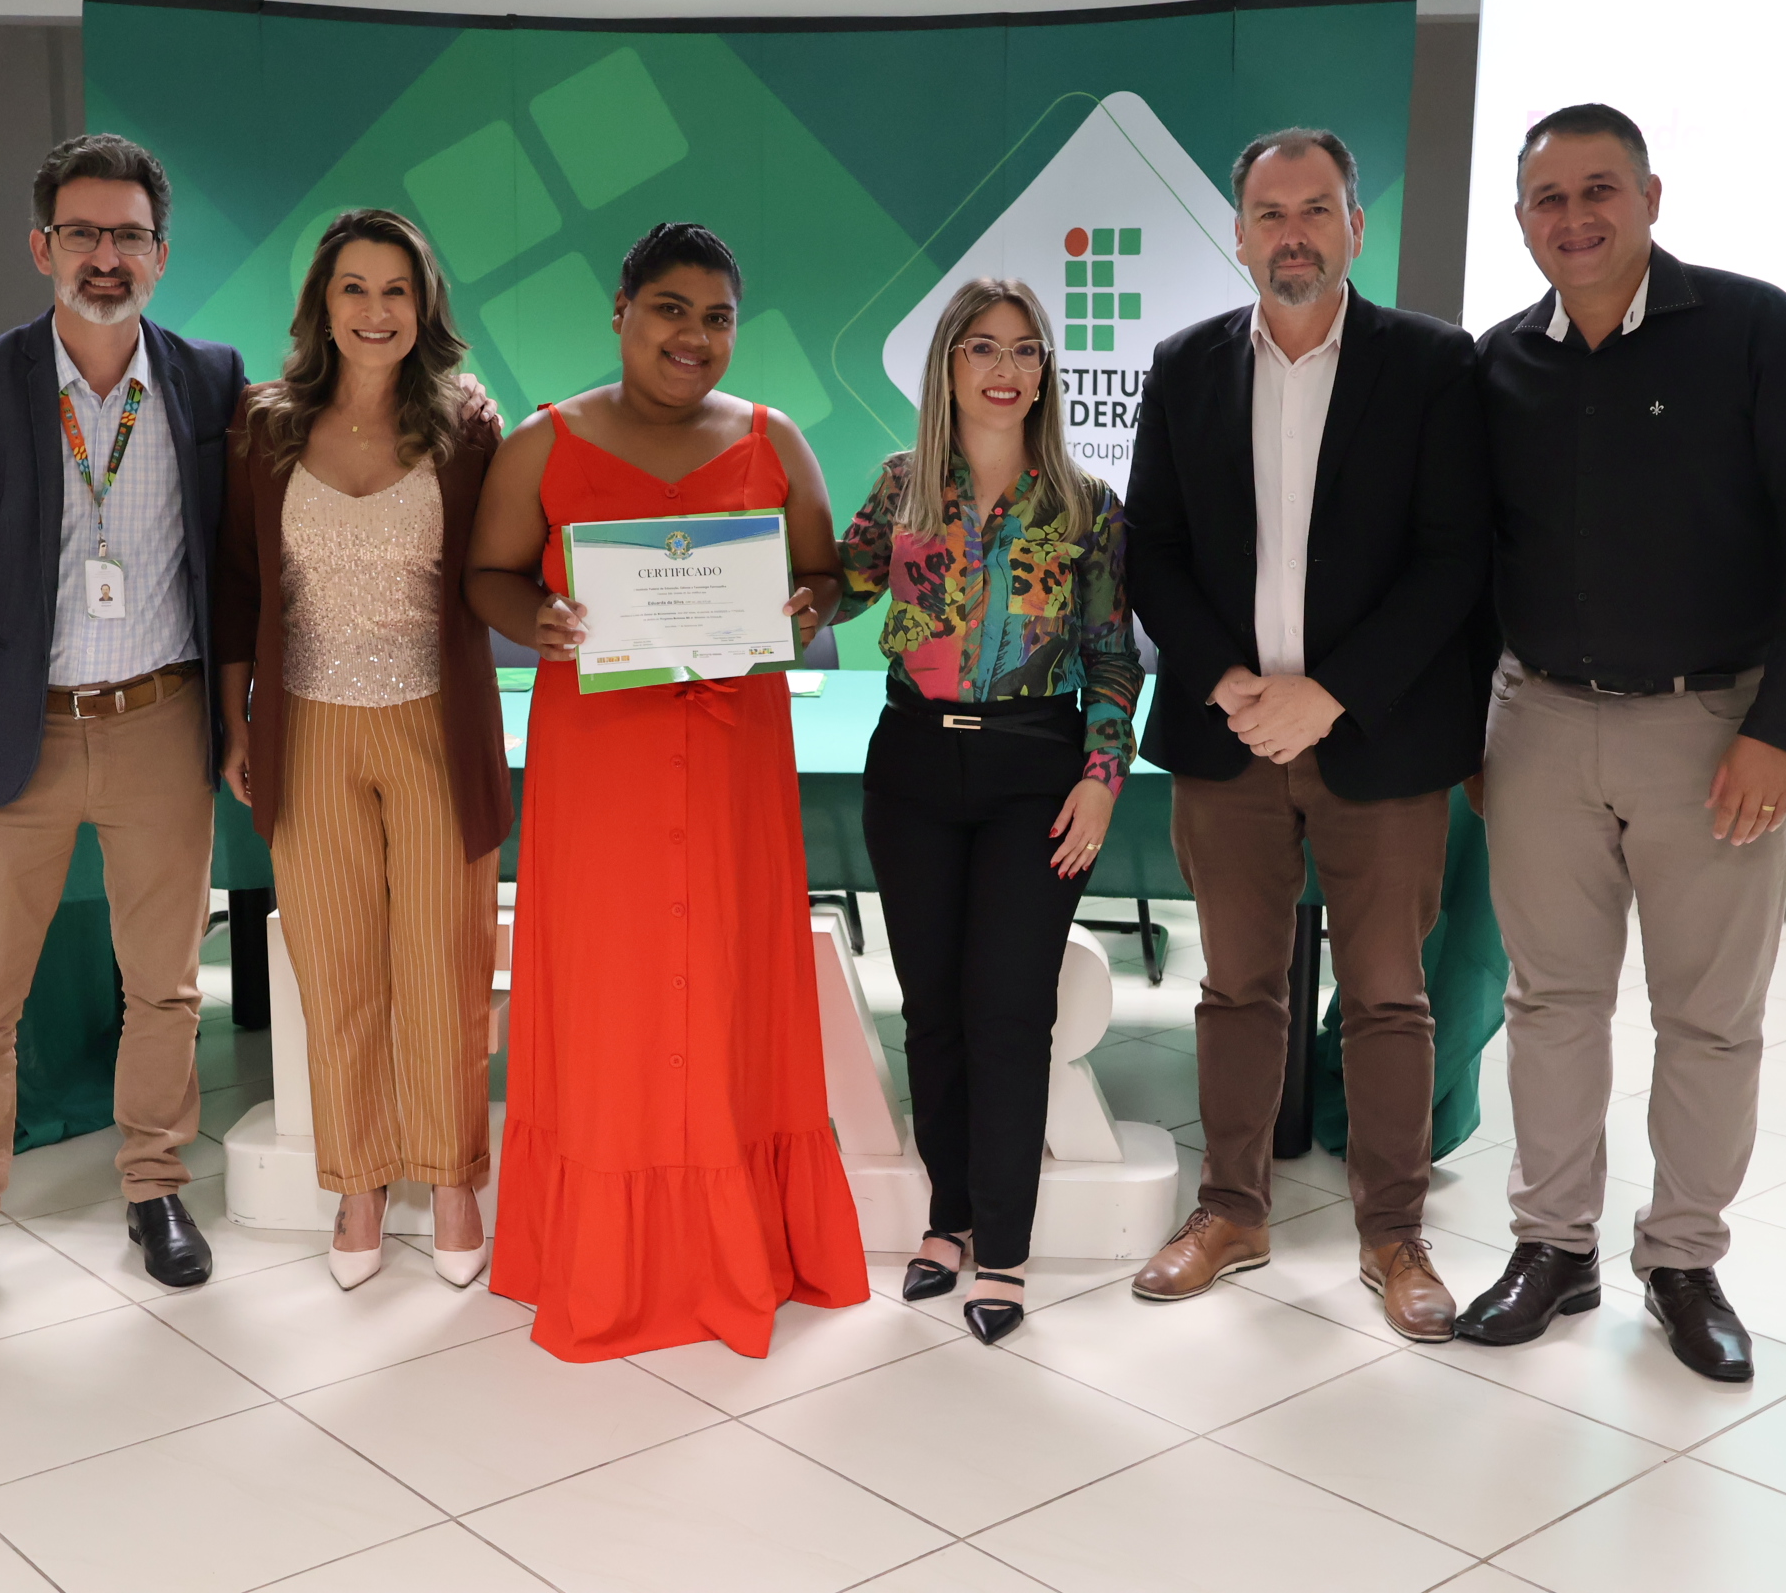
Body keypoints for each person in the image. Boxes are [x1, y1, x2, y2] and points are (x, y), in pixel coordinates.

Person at [1454, 105, 1786, 1380]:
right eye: (1548, 198)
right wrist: (1474, 729)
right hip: (1537, 725)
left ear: (1651, 196)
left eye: (1600, 189)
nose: (1575, 218)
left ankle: (1684, 1260)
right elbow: (1467, 560)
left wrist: (1778, 729)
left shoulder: (1756, 330)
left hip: (1714, 731)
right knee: (1550, 1002)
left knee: (1708, 1017)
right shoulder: (1496, 363)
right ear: (1520, 220)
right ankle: (1554, 1247)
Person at [465, 222, 870, 1361]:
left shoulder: (773, 441)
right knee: (612, 996)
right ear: (621, 312)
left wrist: (810, 605)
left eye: (718, 317)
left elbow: (826, 577)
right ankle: (606, 1256)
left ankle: (736, 1244)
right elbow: (487, 575)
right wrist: (537, 619)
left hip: (735, 762)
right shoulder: (544, 443)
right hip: (601, 762)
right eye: (670, 310)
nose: (694, 336)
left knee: (731, 983)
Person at [1121, 128, 1493, 1341]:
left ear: (1354, 226)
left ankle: (1394, 1233)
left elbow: (1454, 559)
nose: (1293, 233)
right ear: (1238, 236)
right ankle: (1231, 1210)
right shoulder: (1183, 366)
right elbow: (1153, 550)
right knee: (1237, 988)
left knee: (1389, 995)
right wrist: (1228, 679)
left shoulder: (1433, 364)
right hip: (1227, 736)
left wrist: (1329, 694)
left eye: (1316, 209)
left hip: (1377, 738)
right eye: (1270, 214)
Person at [0, 134, 244, 1318]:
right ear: (42, 246)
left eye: (128, 235)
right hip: (13, 732)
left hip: (161, 721)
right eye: (81, 232)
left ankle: (155, 1186)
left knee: (165, 984)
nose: (105, 256)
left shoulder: (208, 380)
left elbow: (237, 560)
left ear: (161, 254)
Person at [833, 278, 1139, 1345]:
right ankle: (948, 1217)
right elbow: (837, 586)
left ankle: (1003, 1247)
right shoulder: (902, 486)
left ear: (1046, 372)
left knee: (1009, 1011)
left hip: (1035, 771)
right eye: (982, 349)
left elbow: (1112, 657)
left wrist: (1101, 777)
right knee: (932, 1010)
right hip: (913, 763)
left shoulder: (1088, 506)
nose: (1005, 370)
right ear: (949, 367)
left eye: (1024, 350)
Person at [214, 210, 509, 1290]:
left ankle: (455, 1176)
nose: (376, 311)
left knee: (443, 965)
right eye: (354, 288)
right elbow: (239, 586)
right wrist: (238, 724)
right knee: (337, 970)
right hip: (309, 728)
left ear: (425, 307)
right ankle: (360, 1183)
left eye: (397, 290)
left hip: (436, 726)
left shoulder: (469, 427)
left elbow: (507, 565)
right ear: (322, 304)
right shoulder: (266, 426)